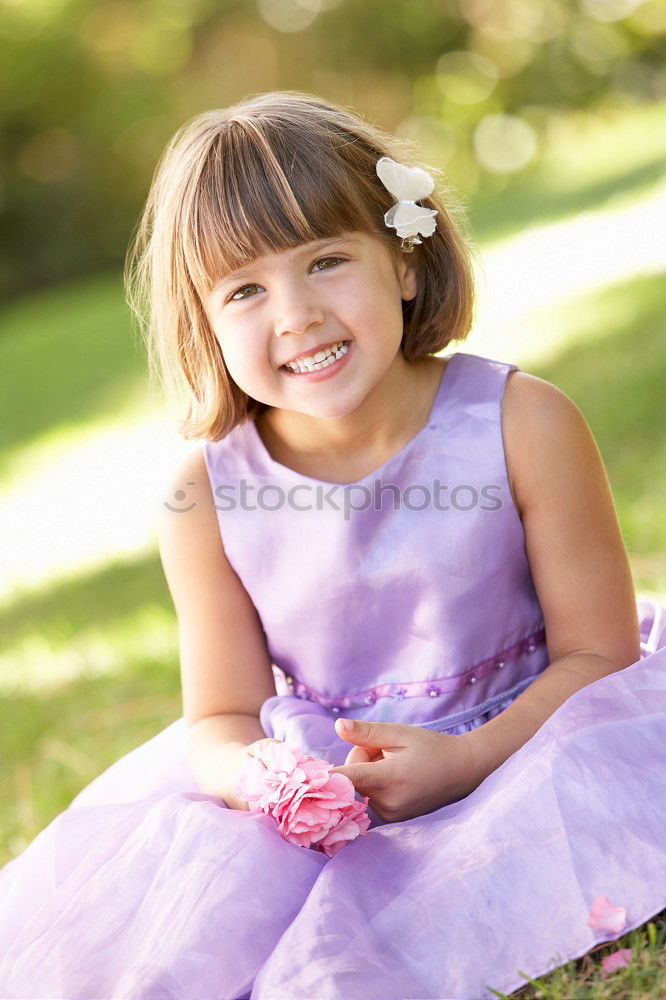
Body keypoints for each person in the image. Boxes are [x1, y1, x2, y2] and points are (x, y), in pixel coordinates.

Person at [0, 90, 664, 1000]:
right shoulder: (203, 496)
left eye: (326, 261)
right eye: (245, 289)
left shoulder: (519, 421)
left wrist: (468, 761)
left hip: (535, 728)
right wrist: (268, 779)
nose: (296, 315)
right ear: (205, 321)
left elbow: (602, 654)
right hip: (341, 773)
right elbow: (220, 719)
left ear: (401, 261)